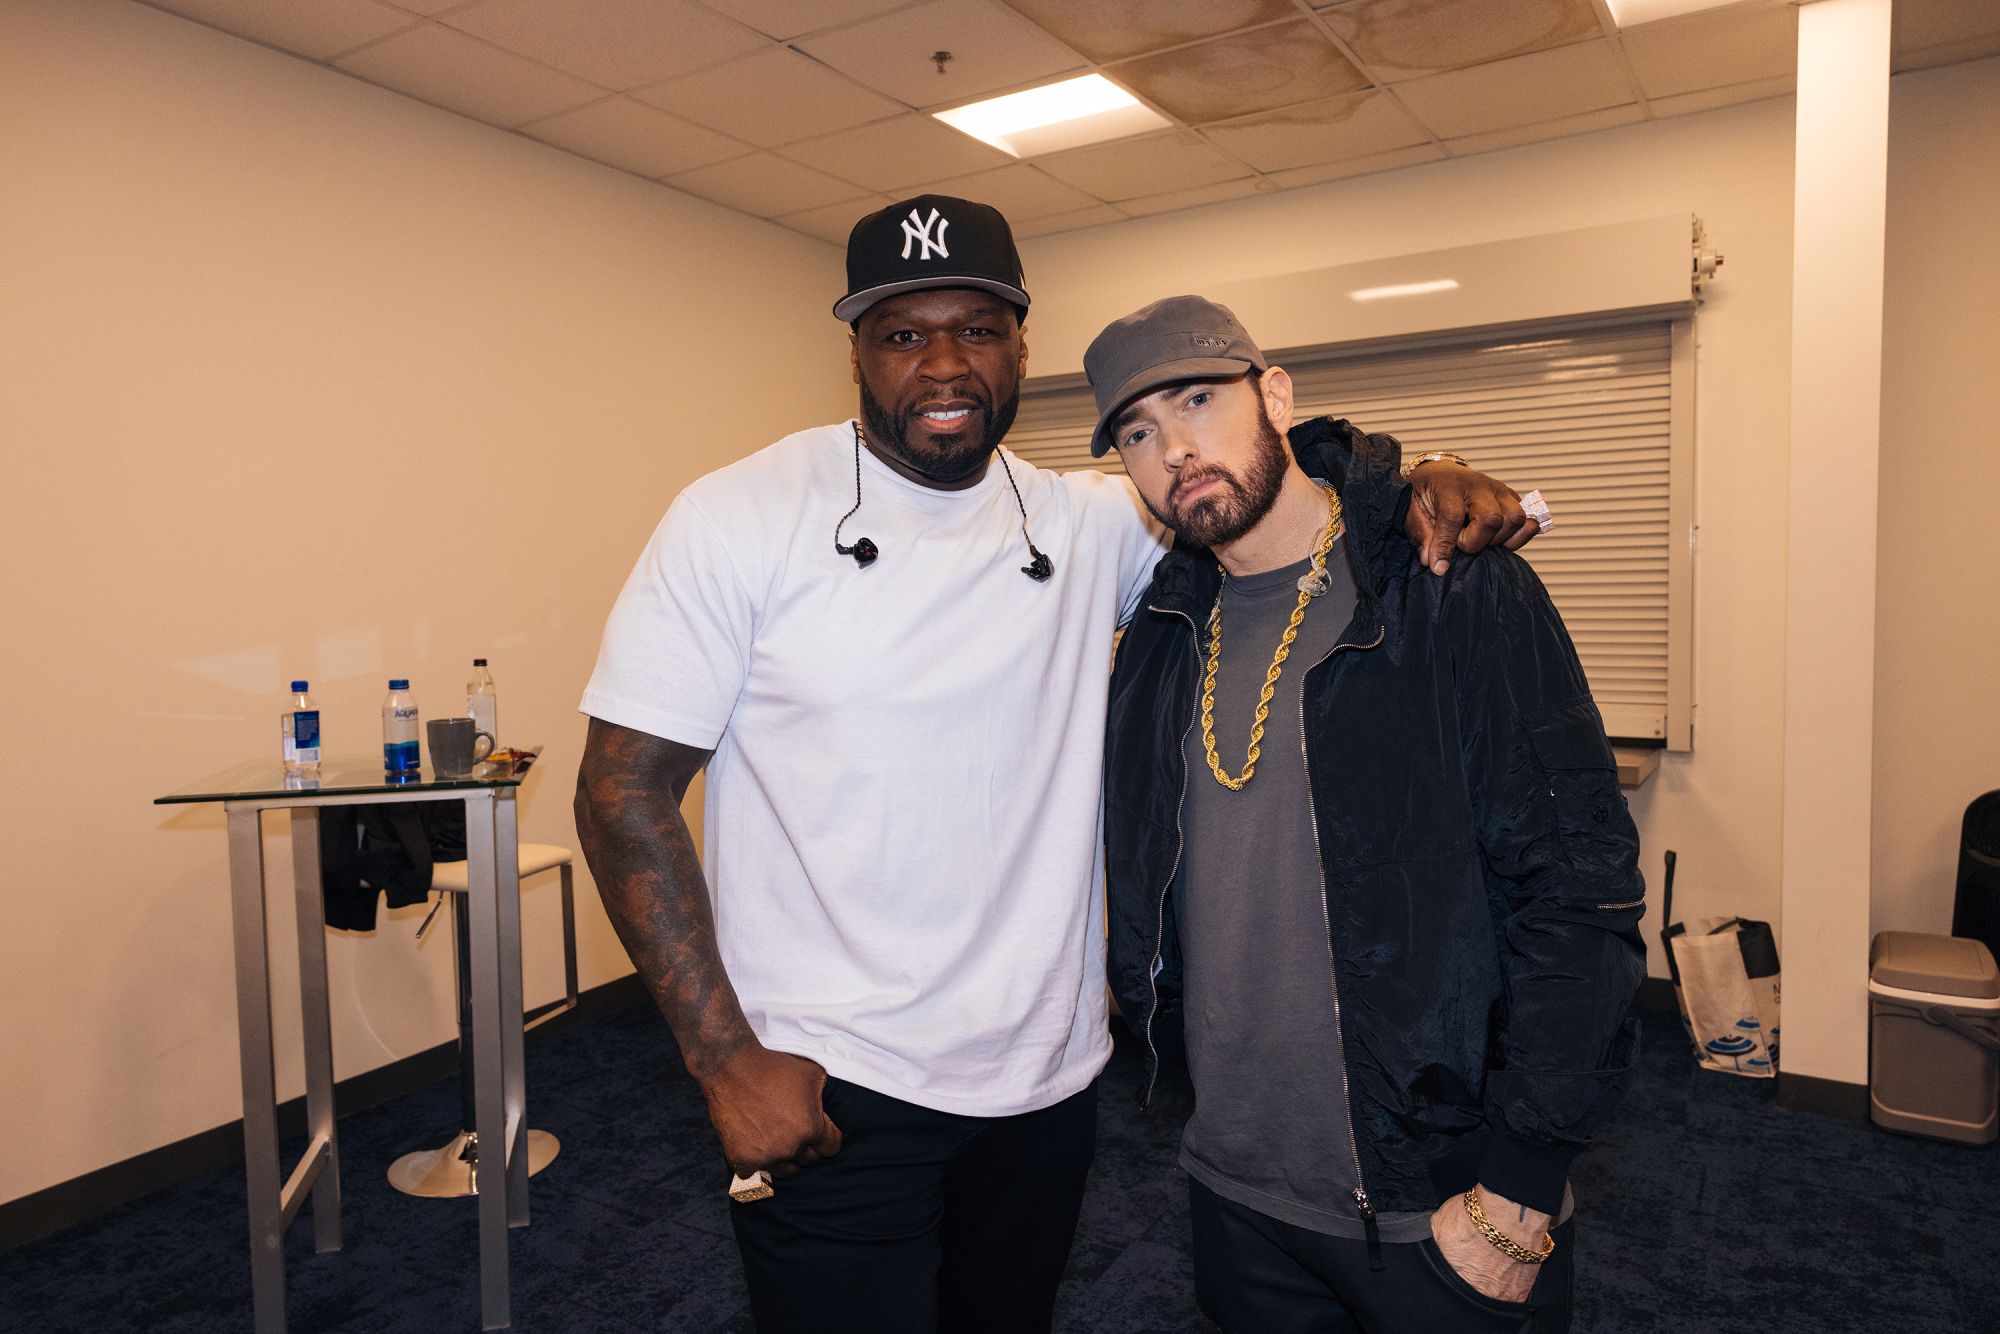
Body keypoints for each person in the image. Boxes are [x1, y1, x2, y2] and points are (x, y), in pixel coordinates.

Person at [572, 197, 1536, 1334]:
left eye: (975, 329)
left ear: (1021, 346)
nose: (941, 363)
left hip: (1045, 1078)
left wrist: (1408, 474)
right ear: (854, 353)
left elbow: (1250, 485)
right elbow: (621, 788)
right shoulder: (737, 516)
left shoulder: (1089, 522)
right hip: (828, 1081)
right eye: (901, 333)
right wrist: (723, 1057)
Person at [1095, 295, 1646, 1333]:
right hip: (1234, 1192)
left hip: (1441, 1201)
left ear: (1276, 395)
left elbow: (1579, 890)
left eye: (1199, 400)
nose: (1173, 447)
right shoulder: (1161, 629)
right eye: (1135, 430)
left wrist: (1518, 1195)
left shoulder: (1447, 586)